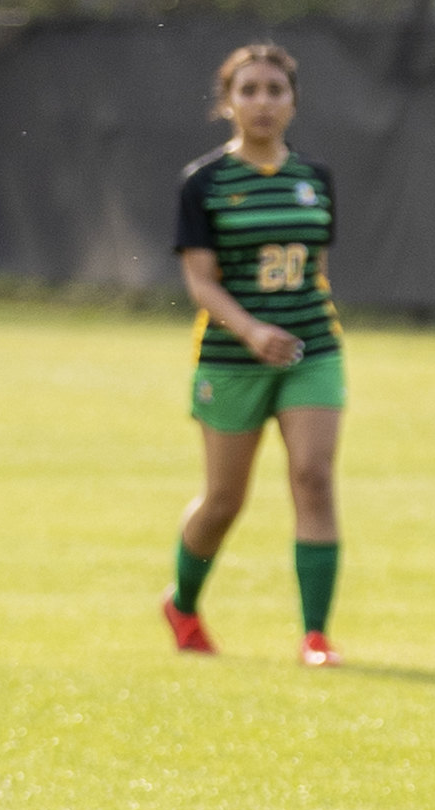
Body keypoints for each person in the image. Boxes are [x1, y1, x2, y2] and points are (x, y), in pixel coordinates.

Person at [162, 43, 346, 667]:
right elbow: (201, 280)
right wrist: (250, 331)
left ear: (293, 101)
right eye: (249, 90)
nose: (263, 102)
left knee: (313, 478)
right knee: (224, 501)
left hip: (311, 349)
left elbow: (314, 268)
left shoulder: (314, 179)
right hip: (231, 357)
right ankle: (182, 604)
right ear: (227, 102)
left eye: (275, 90)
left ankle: (315, 636)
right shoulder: (206, 182)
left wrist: (293, 327)